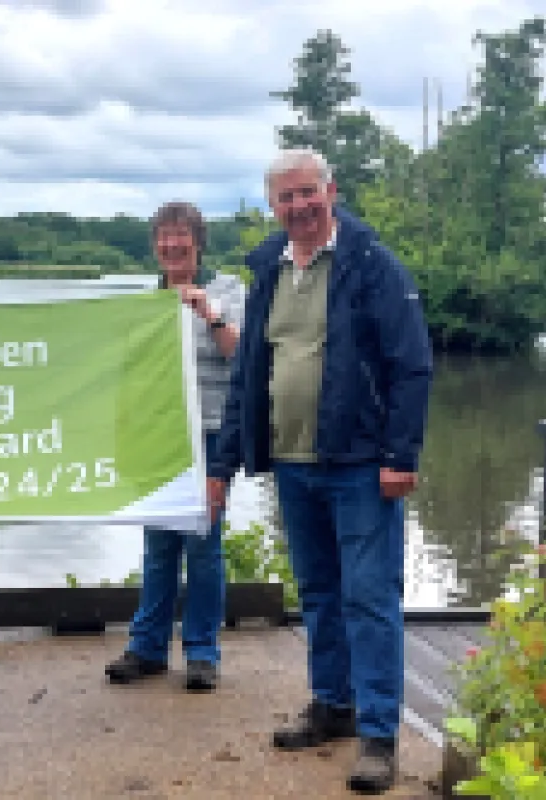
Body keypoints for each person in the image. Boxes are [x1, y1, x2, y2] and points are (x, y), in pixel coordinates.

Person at [207, 148, 432, 795]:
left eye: (309, 193)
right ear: (273, 207)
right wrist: (223, 465)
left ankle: (380, 734)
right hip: (293, 465)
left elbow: (412, 365)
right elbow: (249, 376)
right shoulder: (269, 274)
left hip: (363, 466)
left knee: (370, 599)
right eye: (286, 198)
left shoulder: (372, 266)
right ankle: (332, 706)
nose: (300, 206)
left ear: (330, 191)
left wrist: (400, 456)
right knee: (320, 596)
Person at [104, 201, 245, 693]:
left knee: (203, 547)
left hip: (208, 434)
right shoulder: (145, 303)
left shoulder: (228, 289)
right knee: (159, 545)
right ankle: (147, 647)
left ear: (198, 241)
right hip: (160, 437)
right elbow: (132, 378)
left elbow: (242, 355)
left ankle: (202, 653)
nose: (171, 245)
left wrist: (209, 314)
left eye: (181, 235)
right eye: (164, 236)